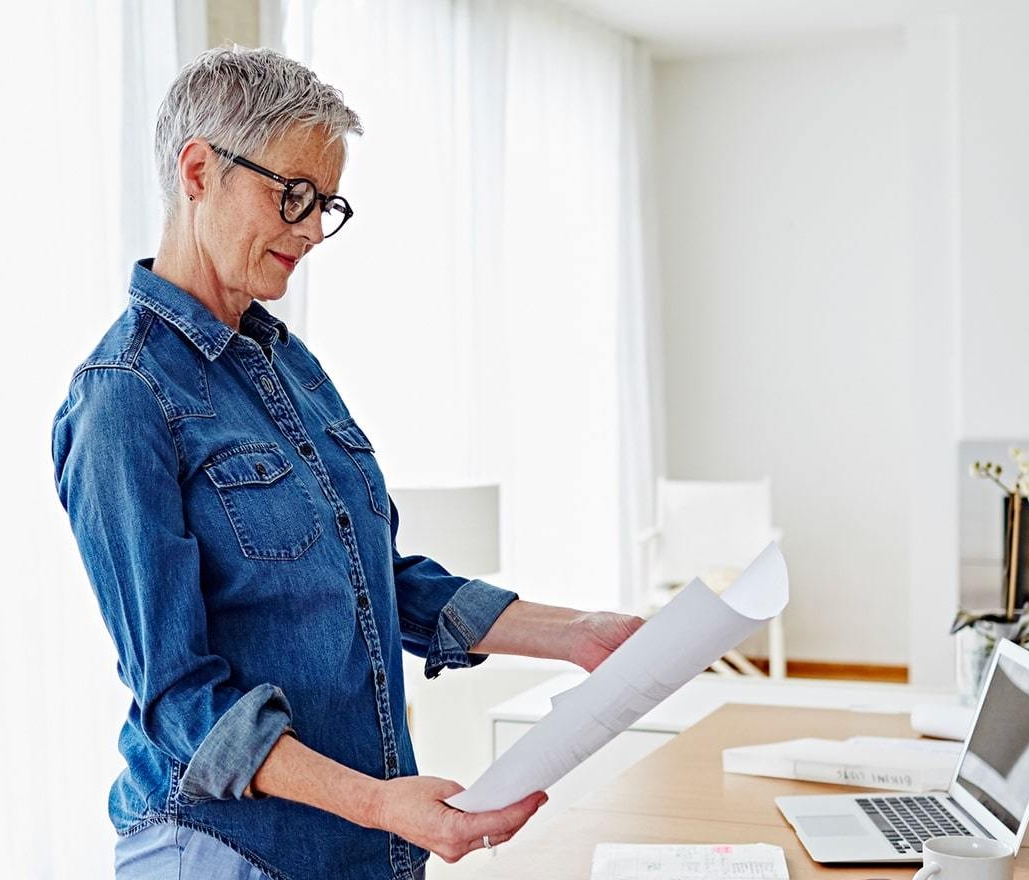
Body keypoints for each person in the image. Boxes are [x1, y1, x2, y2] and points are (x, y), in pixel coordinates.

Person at [52, 46, 643, 880]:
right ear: (197, 170)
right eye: (291, 193)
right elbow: (179, 703)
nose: (309, 230)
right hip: (228, 852)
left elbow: (379, 584)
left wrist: (575, 635)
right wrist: (379, 800)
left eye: (325, 204)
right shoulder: (123, 399)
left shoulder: (290, 367)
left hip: (359, 847)